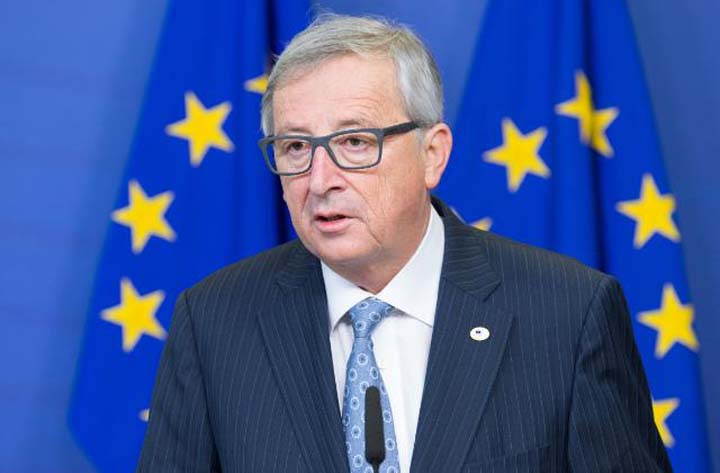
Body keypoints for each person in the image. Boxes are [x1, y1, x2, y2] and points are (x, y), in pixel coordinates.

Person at [137, 14, 671, 473]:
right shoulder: (214, 321)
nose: (320, 178)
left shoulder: (567, 313)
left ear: (432, 155)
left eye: (354, 141)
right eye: (296, 146)